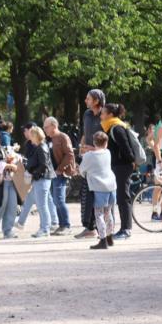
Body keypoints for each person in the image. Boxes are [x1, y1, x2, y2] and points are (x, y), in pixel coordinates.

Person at [99, 103, 135, 240]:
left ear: (110, 114)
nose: (101, 116)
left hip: (122, 167)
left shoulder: (116, 128)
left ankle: (126, 229)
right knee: (119, 197)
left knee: (123, 197)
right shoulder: (110, 127)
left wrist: (130, 161)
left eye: (103, 113)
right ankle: (123, 228)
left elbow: (127, 149)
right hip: (117, 167)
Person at [78, 131, 118, 250]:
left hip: (98, 187)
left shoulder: (89, 156)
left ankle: (103, 239)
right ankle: (110, 237)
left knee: (98, 214)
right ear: (106, 143)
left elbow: (82, 170)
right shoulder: (108, 152)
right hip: (111, 185)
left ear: (94, 142)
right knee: (108, 212)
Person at [75, 89, 105, 239]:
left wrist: (94, 148)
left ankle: (104, 229)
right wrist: (81, 148)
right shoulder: (87, 114)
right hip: (87, 158)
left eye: (88, 99)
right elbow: (85, 133)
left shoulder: (105, 115)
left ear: (97, 101)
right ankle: (89, 227)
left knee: (100, 194)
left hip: (100, 160)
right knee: (86, 193)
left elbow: (107, 140)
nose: (85, 101)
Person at [43, 117, 75, 235]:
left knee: (59, 200)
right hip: (52, 174)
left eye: (46, 127)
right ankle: (61, 225)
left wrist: (60, 169)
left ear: (53, 125)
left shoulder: (63, 137)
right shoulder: (49, 139)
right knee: (56, 200)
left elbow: (70, 155)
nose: (44, 129)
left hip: (60, 173)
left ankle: (66, 225)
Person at [23, 126, 56, 238]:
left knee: (42, 205)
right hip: (42, 178)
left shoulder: (41, 147)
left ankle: (45, 228)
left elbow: (44, 165)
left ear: (35, 136)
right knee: (42, 205)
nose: (29, 138)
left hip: (42, 179)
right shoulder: (41, 146)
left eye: (31, 135)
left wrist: (34, 174)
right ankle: (44, 228)